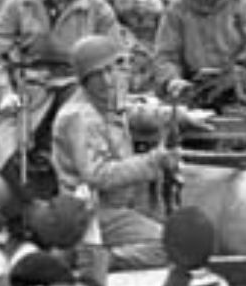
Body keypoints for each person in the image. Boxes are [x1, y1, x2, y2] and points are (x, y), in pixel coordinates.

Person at [0, 0, 119, 187]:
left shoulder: (97, 9)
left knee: (80, 135)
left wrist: (107, 95)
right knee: (3, 144)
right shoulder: (19, 5)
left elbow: (116, 58)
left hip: (78, 85)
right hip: (30, 85)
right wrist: (3, 92)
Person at [51, 35, 192, 270]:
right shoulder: (81, 116)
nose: (107, 80)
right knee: (171, 247)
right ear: (85, 80)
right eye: (98, 75)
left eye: (111, 70)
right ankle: (97, 260)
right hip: (94, 212)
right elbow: (99, 175)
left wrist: (179, 116)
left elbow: (130, 112)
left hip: (119, 206)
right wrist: (154, 161)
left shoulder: (102, 102)